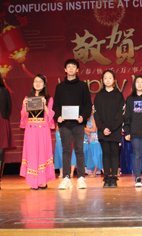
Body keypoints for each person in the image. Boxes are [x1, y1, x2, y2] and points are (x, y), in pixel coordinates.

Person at [53, 59, 92, 190]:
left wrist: (83, 116)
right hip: (64, 124)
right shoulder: (60, 86)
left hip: (78, 124)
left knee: (79, 150)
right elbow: (56, 105)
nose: (70, 69)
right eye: (68, 66)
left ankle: (81, 178)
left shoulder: (82, 86)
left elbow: (88, 104)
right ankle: (66, 178)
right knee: (65, 151)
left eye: (73, 67)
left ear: (77, 70)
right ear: (65, 69)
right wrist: (57, 116)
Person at [20, 74, 56, 190]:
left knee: (42, 152)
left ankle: (42, 181)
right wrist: (25, 106)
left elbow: (50, 115)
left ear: (44, 84)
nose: (38, 83)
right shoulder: (27, 98)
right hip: (30, 129)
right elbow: (24, 116)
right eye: (36, 81)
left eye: (40, 81)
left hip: (42, 129)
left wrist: (44, 104)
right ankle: (33, 182)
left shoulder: (49, 98)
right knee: (32, 153)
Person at [94, 70, 125, 188]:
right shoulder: (99, 96)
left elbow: (120, 114)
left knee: (114, 153)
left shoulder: (118, 95)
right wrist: (103, 128)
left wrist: (111, 128)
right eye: (105, 78)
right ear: (102, 80)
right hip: (103, 131)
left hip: (115, 130)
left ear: (114, 80)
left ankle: (114, 178)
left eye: (110, 78)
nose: (107, 80)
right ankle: (106, 178)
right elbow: (96, 114)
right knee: (105, 153)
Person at [84, 111, 102, 177]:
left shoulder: (93, 118)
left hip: (97, 140)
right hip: (91, 141)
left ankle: (95, 172)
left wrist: (85, 129)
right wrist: (86, 130)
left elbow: (94, 129)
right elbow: (87, 133)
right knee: (93, 157)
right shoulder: (85, 120)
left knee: (97, 156)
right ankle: (96, 171)